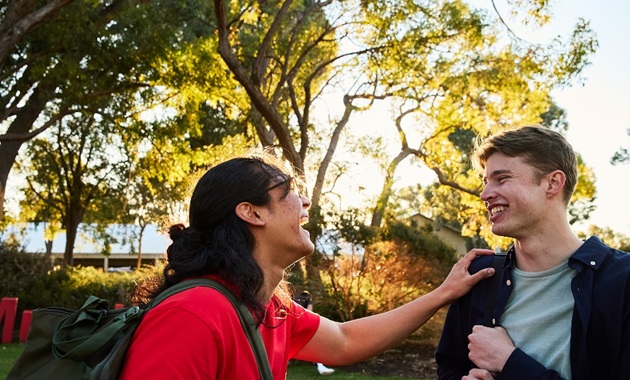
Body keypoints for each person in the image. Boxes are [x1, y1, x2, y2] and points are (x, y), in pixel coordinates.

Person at [119, 151, 495, 379]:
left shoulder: (271, 309)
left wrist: (443, 294)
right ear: (251, 213)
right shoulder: (194, 313)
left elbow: (346, 342)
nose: (305, 204)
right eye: (288, 194)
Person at [435, 125, 630, 380]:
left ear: (552, 183)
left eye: (502, 178)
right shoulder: (479, 277)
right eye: (486, 182)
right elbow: (450, 367)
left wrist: (510, 362)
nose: (484, 194)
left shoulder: (623, 281)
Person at [292, 290, 335, 375]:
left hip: (289, 323)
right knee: (315, 343)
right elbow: (309, 311)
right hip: (301, 323)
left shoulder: (295, 299)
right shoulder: (308, 299)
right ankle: (320, 366)